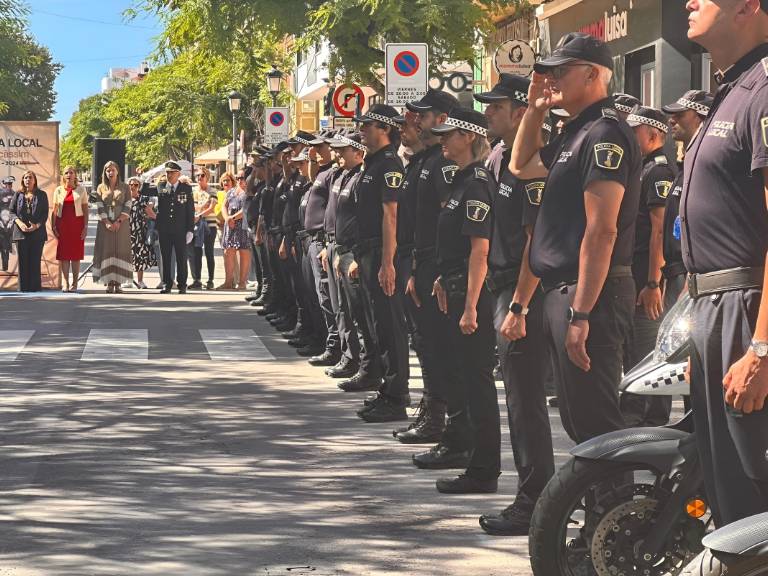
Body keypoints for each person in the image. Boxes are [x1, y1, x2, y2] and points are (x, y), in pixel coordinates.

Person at [510, 32, 640, 444]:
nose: (552, 80)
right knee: (578, 422)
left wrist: (581, 313)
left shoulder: (605, 133)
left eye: (560, 71)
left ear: (592, 75)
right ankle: (603, 507)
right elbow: (520, 165)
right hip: (562, 289)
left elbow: (602, 231)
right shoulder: (575, 131)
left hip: (589, 294)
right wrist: (533, 109)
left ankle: (620, 508)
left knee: (597, 424)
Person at [680, 0, 768, 527]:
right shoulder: (730, 89)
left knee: (749, 495)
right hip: (712, 308)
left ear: (748, 6)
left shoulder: (763, 90)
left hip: (745, 309)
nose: (689, 2)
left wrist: (761, 347)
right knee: (724, 492)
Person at [475, 74, 555, 535]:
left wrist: (519, 306)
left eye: (497, 106)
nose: (488, 112)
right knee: (518, 400)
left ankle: (536, 501)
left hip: (525, 290)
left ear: (521, 112)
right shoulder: (500, 156)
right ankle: (534, 495)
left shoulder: (534, 162)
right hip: (501, 283)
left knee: (526, 403)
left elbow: (533, 242)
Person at [429, 107, 499, 494]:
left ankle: (484, 469)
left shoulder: (477, 183)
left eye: (449, 134)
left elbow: (480, 251)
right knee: (463, 379)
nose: (442, 140)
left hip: (471, 293)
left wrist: (471, 305)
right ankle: (474, 461)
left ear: (470, 137)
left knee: (477, 382)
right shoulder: (460, 181)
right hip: (455, 286)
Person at [397, 89, 460, 450]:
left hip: (434, 263)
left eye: (422, 115)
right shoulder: (424, 161)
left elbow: (445, 220)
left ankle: (440, 417)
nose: (415, 121)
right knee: (423, 342)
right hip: (418, 260)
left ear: (442, 118)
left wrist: (433, 268)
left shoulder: (442, 163)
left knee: (437, 346)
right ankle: (431, 408)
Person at [352, 104, 410, 423]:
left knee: (391, 326)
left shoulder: (389, 164)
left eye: (368, 125)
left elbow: (391, 215)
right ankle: (387, 390)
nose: (362, 130)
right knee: (378, 326)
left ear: (385, 128)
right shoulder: (372, 164)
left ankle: (398, 396)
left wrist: (387, 262)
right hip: (369, 251)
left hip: (382, 253)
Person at [620, 106, 677, 427]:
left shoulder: (658, 172)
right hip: (635, 275)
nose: (630, 136)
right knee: (634, 351)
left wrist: (654, 282)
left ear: (653, 135)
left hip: (646, 280)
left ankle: (647, 421)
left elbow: (659, 229)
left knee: (646, 352)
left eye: (635, 131)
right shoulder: (640, 169)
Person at [328, 133, 382, 386]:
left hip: (357, 252)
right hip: (345, 250)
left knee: (363, 317)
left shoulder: (364, 177)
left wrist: (355, 256)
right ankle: (360, 364)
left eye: (345, 151)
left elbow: (367, 220)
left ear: (359, 153)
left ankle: (369, 368)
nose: (339, 155)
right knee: (349, 311)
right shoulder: (349, 177)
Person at [660, 89, 712, 310]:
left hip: (694, 273)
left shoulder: (707, 164)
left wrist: (690, 275)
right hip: (676, 271)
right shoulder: (685, 166)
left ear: (700, 116)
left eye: (680, 115)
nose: (672, 120)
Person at [303, 133, 343, 367]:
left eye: (321, 148)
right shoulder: (325, 172)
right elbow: (312, 182)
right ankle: (329, 343)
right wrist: (311, 160)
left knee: (329, 299)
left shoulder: (338, 174)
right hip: (316, 241)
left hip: (325, 241)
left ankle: (335, 347)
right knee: (320, 295)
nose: (316, 152)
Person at [92, 161, 133, 293]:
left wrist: (118, 221)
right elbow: (99, 205)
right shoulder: (100, 187)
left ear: (117, 171)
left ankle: (118, 282)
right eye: (108, 170)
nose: (110, 172)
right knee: (107, 250)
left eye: (113, 170)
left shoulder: (125, 187)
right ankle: (109, 282)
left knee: (120, 250)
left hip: (122, 224)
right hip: (105, 225)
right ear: (105, 172)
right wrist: (107, 222)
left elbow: (128, 204)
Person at [157, 161, 194, 294]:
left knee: (181, 257)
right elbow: (144, 190)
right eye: (167, 172)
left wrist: (190, 229)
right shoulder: (162, 187)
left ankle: (182, 284)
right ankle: (167, 283)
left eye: (172, 172)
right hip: (165, 229)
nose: (169, 175)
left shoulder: (186, 188)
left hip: (180, 229)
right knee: (166, 257)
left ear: (178, 173)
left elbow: (190, 210)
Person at [51, 166, 89, 292]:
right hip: (63, 225)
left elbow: (85, 209)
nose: (69, 175)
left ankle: (75, 283)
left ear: (75, 175)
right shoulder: (58, 190)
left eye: (71, 172)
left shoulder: (81, 190)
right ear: (63, 175)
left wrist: (85, 227)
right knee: (64, 255)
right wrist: (54, 226)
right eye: (66, 173)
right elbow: (55, 210)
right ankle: (66, 283)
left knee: (76, 255)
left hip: (77, 225)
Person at [11, 170, 48, 292]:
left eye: (30, 177)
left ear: (35, 180)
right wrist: (20, 223)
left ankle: (34, 288)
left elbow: (45, 214)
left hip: (37, 233)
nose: (28, 180)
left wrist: (36, 226)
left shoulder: (42, 194)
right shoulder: (17, 194)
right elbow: (11, 212)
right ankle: (23, 288)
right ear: (23, 180)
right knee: (23, 262)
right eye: (25, 178)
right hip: (21, 233)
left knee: (34, 260)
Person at [220, 170, 251, 291]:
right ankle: (228, 282)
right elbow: (224, 205)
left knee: (244, 252)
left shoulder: (249, 191)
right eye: (237, 177)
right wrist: (227, 218)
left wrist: (232, 218)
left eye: (242, 178)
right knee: (228, 251)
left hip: (242, 225)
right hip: (230, 224)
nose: (239, 180)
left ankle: (242, 282)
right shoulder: (232, 191)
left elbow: (246, 209)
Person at [189, 167, 218, 290]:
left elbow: (211, 207)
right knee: (197, 252)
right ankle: (197, 280)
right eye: (197, 176)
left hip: (210, 225)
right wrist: (203, 205)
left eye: (201, 175)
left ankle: (210, 280)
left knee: (209, 252)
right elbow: (194, 206)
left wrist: (201, 212)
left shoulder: (213, 190)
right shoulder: (194, 191)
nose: (199, 178)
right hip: (197, 225)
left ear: (207, 177)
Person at [128, 176, 157, 289]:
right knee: (128, 255)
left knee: (140, 255)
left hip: (140, 230)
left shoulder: (144, 198)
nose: (133, 187)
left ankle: (140, 281)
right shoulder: (125, 199)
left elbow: (152, 203)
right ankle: (128, 279)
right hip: (127, 230)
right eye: (131, 185)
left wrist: (151, 207)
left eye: (135, 185)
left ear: (139, 187)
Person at [0, 176, 16, 271]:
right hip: (1, 220)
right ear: (4, 184)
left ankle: (5, 266)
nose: (9, 185)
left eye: (10, 184)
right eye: (7, 184)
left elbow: (16, 210)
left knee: (6, 242)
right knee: (2, 243)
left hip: (10, 221)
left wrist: (12, 220)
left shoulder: (15, 194)